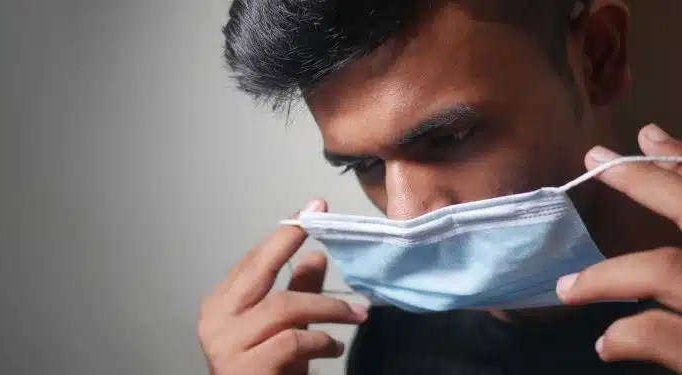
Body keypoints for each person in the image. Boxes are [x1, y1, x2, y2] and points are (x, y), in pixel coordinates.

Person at [198, 0, 682, 373]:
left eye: (450, 138)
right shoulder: (392, 339)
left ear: (599, 58)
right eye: (364, 165)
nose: (406, 220)